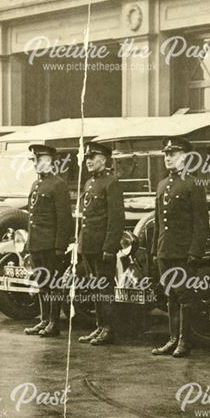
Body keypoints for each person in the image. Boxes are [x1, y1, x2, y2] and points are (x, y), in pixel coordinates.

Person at [149, 137, 209, 358]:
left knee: (184, 296)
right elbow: (158, 221)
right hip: (166, 251)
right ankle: (172, 339)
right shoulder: (162, 185)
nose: (168, 158)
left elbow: (201, 223)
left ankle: (185, 341)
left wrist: (195, 252)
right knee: (170, 296)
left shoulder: (193, 184)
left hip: (184, 252)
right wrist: (156, 251)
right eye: (166, 154)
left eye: (172, 154)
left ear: (185, 158)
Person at [76, 141, 124, 346]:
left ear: (103, 160)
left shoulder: (111, 182)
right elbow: (86, 218)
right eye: (87, 158)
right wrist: (80, 245)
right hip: (88, 245)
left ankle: (109, 328)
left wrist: (109, 247)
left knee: (104, 289)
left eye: (92, 158)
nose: (88, 161)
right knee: (94, 288)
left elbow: (116, 219)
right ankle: (99, 326)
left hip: (102, 247)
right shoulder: (89, 183)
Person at [23, 144, 72, 338]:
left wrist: (60, 246)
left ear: (49, 162)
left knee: (53, 283)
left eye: (38, 160)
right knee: (42, 283)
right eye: (34, 160)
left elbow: (64, 218)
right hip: (36, 243)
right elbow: (32, 216)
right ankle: (44, 319)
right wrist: (29, 243)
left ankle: (53, 322)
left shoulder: (58, 185)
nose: (35, 164)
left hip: (50, 245)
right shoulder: (36, 185)